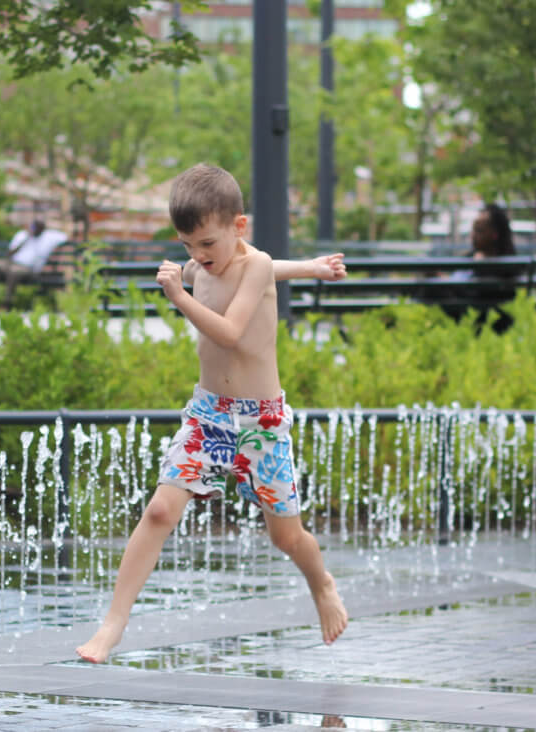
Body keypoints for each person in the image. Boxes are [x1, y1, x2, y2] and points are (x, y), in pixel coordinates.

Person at [76, 163, 349, 664]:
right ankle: (112, 626)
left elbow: (231, 328)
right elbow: (257, 267)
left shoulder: (246, 266)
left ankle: (322, 582)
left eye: (206, 245)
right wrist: (309, 267)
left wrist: (178, 297)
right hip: (208, 416)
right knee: (160, 510)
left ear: (238, 227)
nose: (198, 259)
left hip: (261, 423)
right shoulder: (209, 266)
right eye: (187, 248)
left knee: (286, 536)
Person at [433, 203, 517, 334]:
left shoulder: (501, 267)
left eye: (479, 230)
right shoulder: (472, 257)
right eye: (473, 230)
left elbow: (478, 298)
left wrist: (447, 285)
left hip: (474, 319)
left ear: (495, 235)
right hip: (462, 310)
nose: (472, 235)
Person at [0, 219, 68, 312]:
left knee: (14, 271)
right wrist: (26, 238)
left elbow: (66, 236)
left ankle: (7, 304)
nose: (35, 229)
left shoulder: (49, 237)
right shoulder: (22, 235)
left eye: (38, 226)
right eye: (34, 226)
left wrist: (52, 225)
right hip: (11, 263)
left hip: (29, 269)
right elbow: (9, 253)